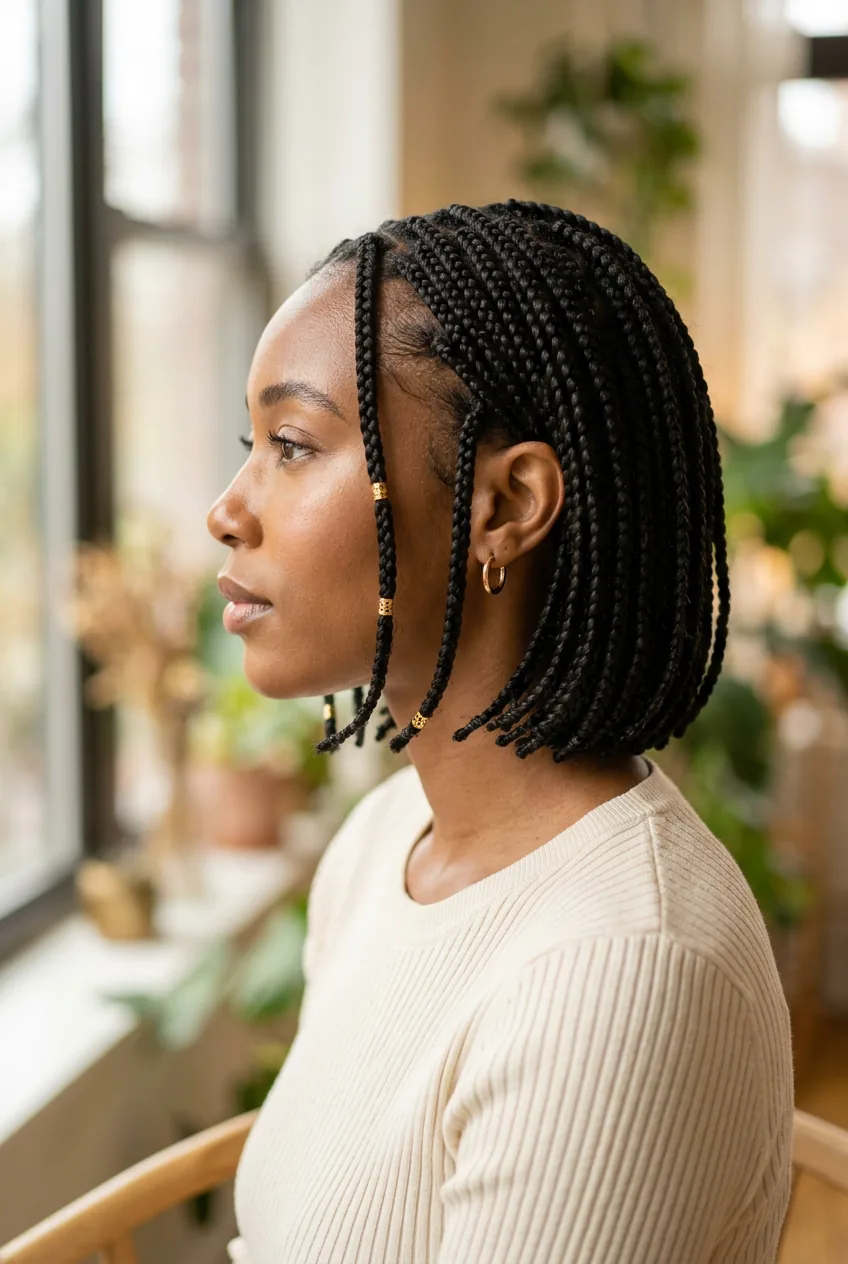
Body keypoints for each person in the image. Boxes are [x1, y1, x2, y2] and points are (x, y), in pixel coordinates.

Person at [208, 201, 794, 1263]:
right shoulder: (386, 842)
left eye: (291, 446)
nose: (227, 507)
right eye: (250, 444)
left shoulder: (619, 971)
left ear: (504, 503)